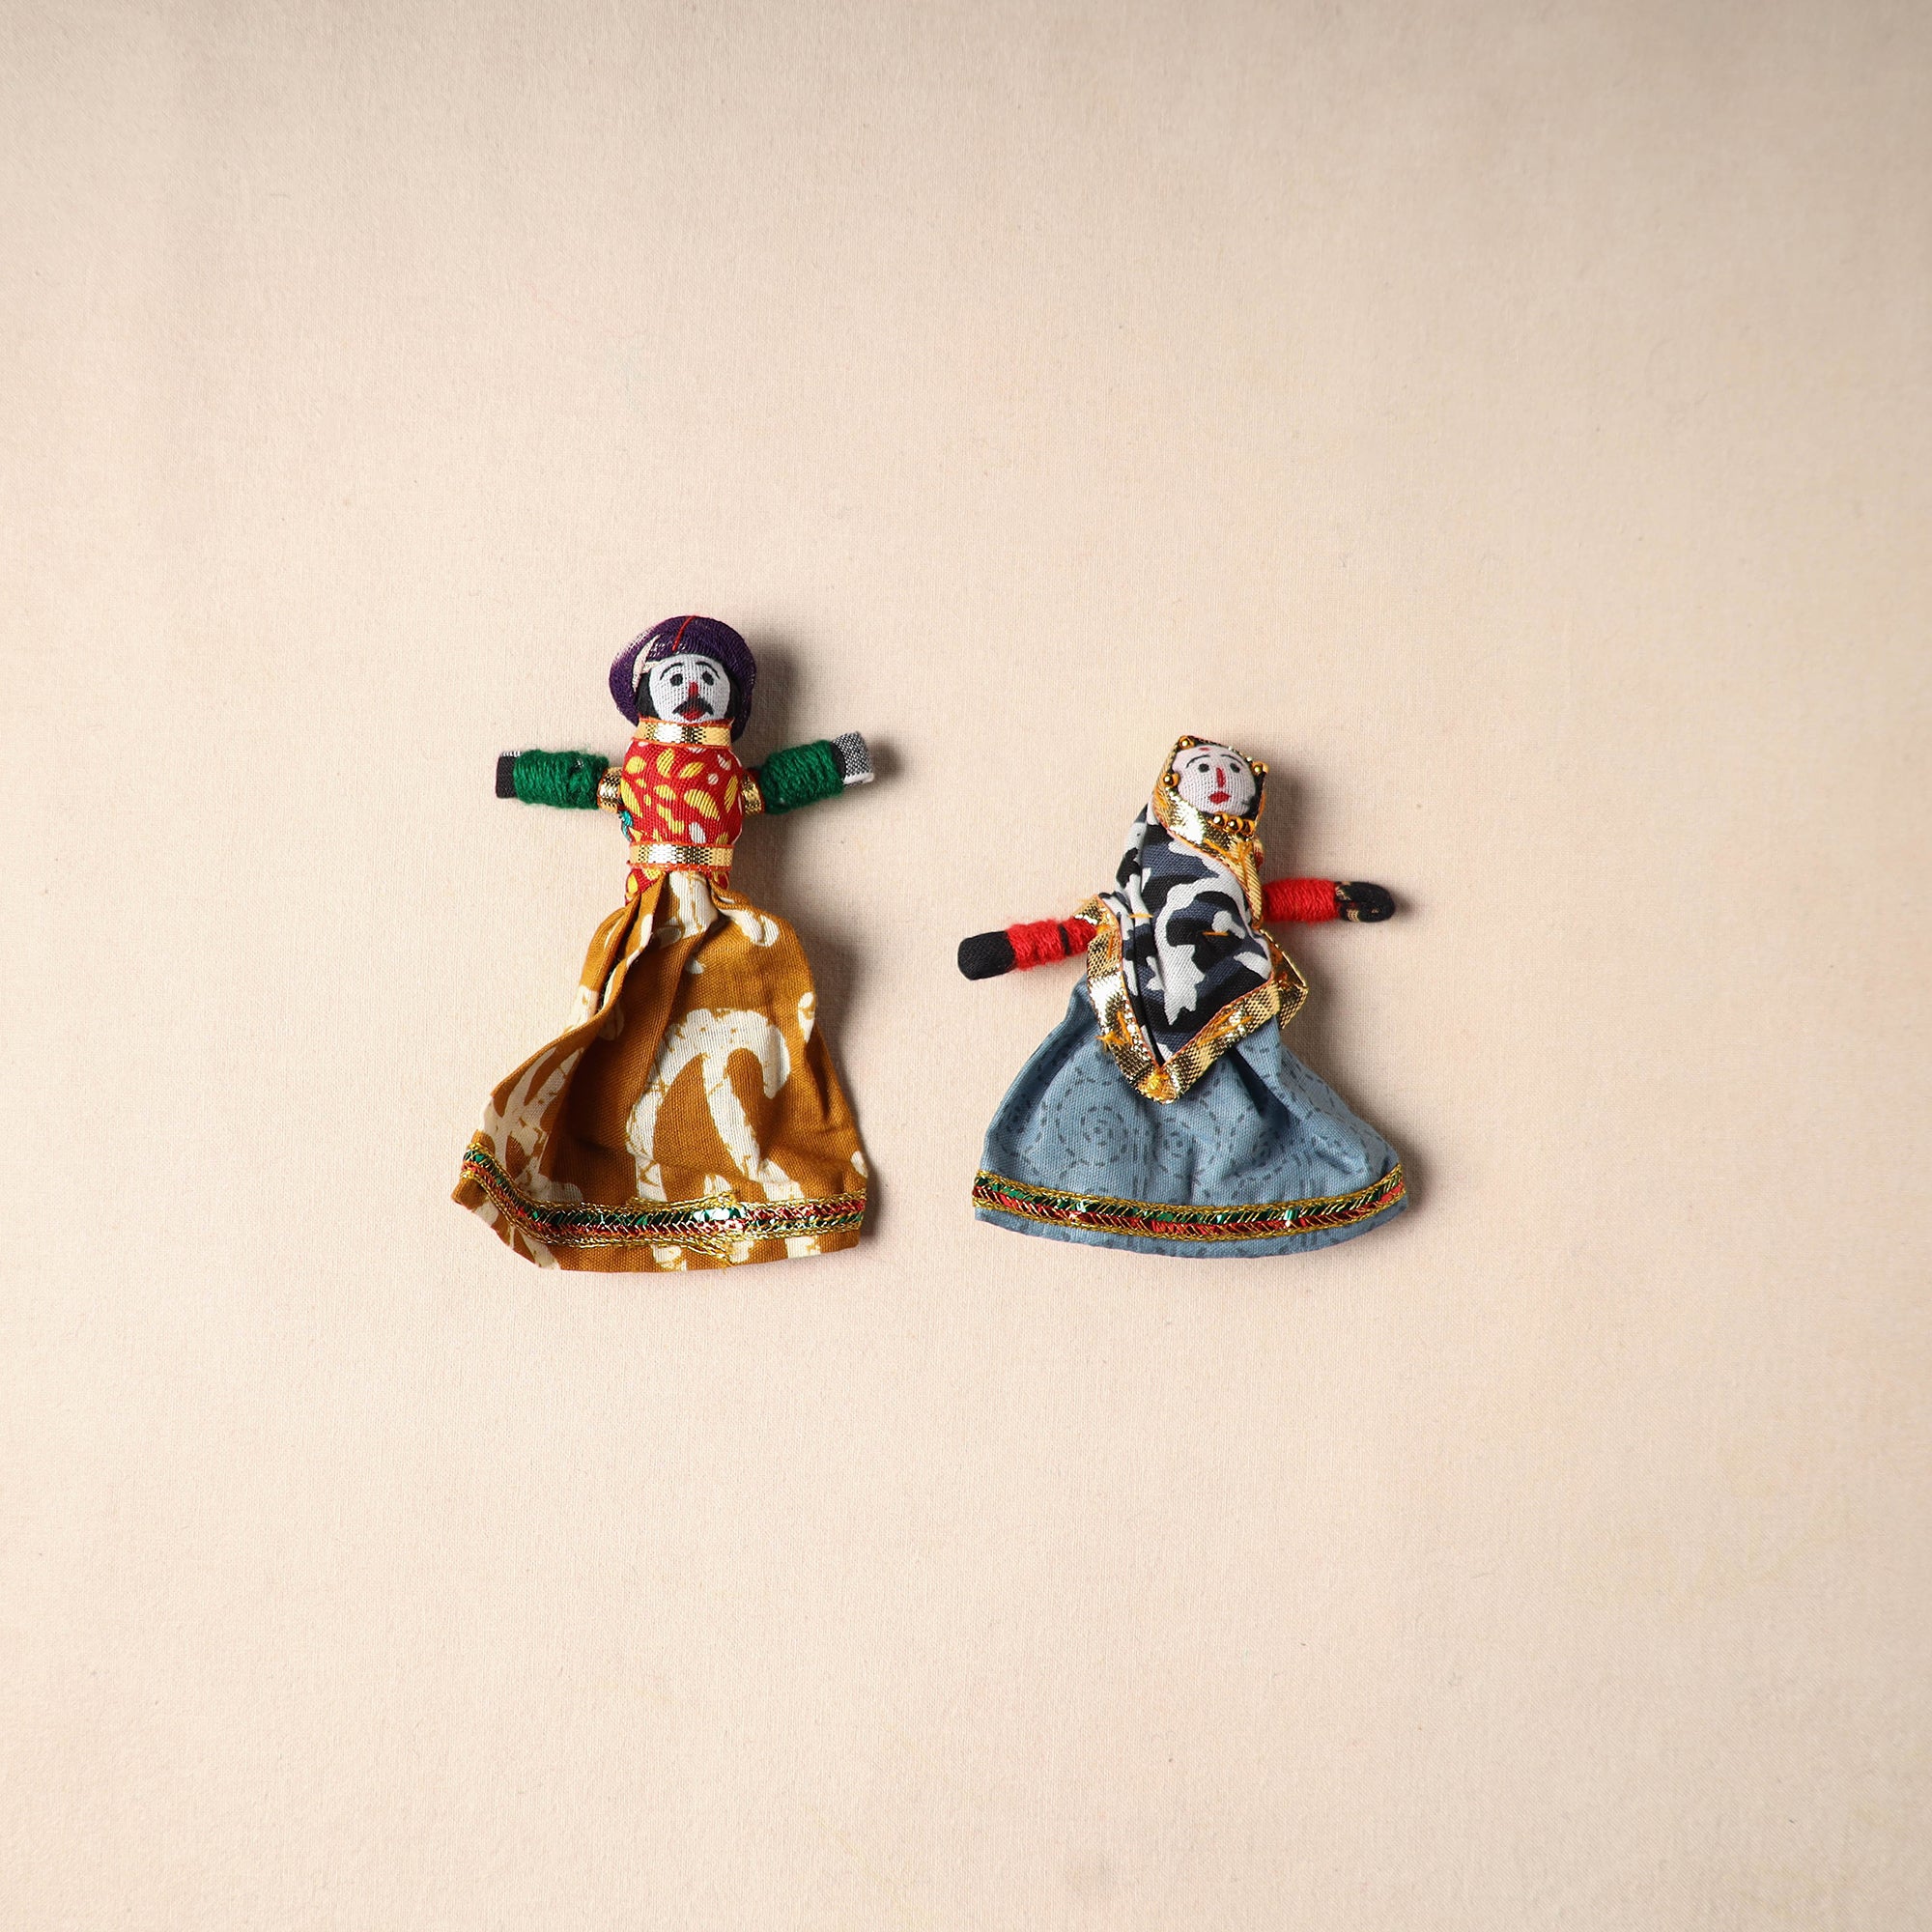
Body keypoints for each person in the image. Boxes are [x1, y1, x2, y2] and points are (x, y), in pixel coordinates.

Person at [454, 616, 873, 1270]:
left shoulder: (729, 777)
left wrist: (843, 762)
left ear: (733, 700)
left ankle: (774, 1177)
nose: (692, 688)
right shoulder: (634, 776)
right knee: (619, 1021)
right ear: (645, 694)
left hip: (724, 922)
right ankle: (595, 1168)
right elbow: (579, 779)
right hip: (644, 921)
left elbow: (779, 782)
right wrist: (521, 774)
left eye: (707, 676)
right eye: (676, 676)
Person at [960, 735, 1406, 1258]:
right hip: (1129, 1009)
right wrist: (1011, 948)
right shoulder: (1128, 904)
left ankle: (1249, 1201)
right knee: (1096, 1094)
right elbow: (1075, 930)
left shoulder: (1241, 890)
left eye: (1231, 776)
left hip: (1230, 1006)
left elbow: (1276, 901)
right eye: (1205, 773)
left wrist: (1336, 899)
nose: (1219, 783)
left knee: (1257, 1092)